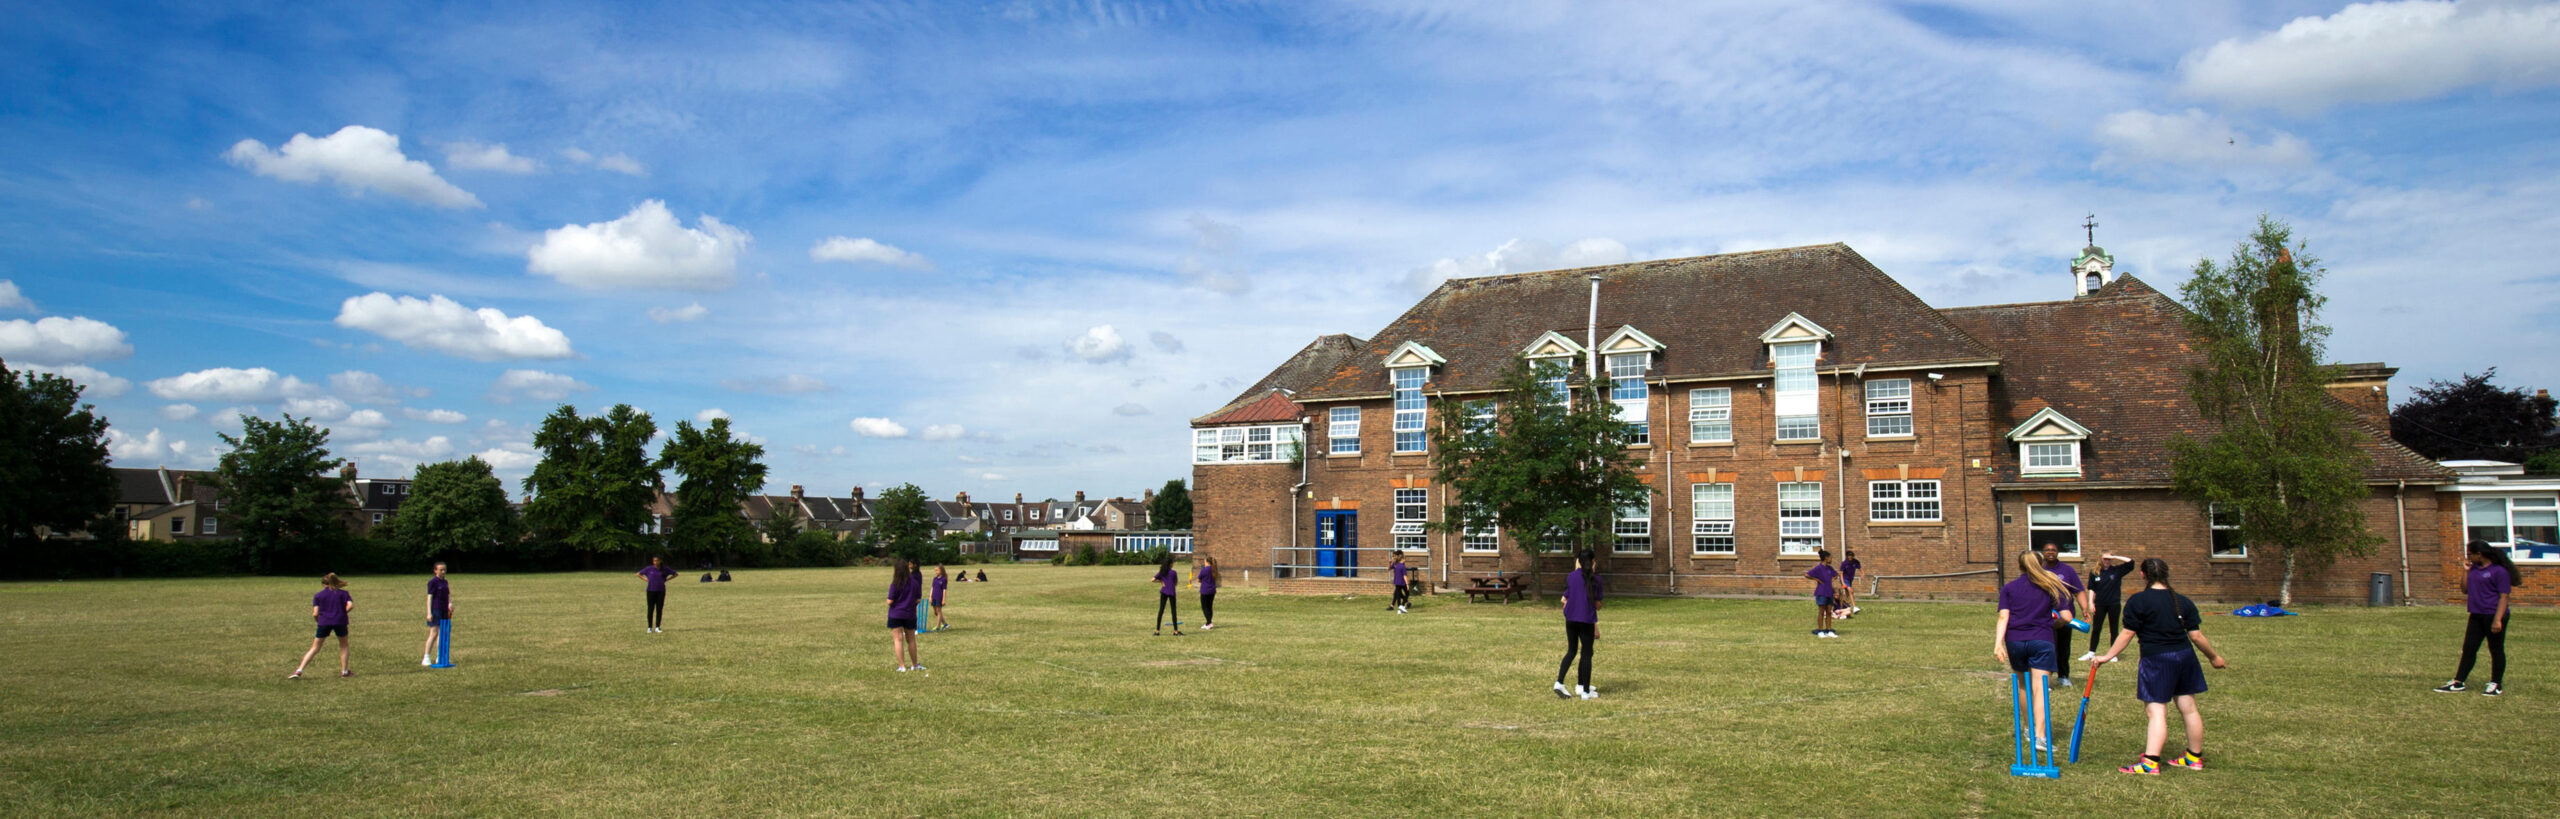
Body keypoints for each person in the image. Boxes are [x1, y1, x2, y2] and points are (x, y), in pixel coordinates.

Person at [2095, 558, 2229, 775]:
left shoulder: (2138, 601)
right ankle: (2194, 758)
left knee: (2156, 711)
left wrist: (2106, 656)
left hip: (2157, 660)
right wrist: (2214, 657)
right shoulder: (2182, 601)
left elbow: (2127, 633)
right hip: (2185, 657)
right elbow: (2196, 636)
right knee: (2189, 708)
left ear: (2142, 575)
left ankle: (2150, 763)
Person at [1995, 551, 2071, 753]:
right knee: (2040, 688)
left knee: (2023, 685)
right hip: (2042, 640)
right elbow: (2067, 616)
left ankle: (2029, 729)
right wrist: (2057, 623)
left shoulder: (2009, 588)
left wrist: (1998, 644)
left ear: (2019, 566)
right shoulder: (2051, 585)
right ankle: (2040, 736)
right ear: (2042, 565)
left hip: (2015, 641)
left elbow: (2003, 617)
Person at [2436, 540, 2522, 696]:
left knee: (2495, 649)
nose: (2468, 557)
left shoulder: (2499, 571)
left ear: (2479, 554)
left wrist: (2497, 620)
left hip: (2493, 614)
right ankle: (2458, 682)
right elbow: (2465, 590)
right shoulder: (2474, 569)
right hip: (2476, 614)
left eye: (2470, 554)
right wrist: (2466, 571)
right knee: (2469, 649)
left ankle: (2496, 684)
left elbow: (2504, 597)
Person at [1555, 549, 1603, 699]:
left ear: (1579, 562)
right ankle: (1585, 692)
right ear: (1593, 561)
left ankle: (1560, 682)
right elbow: (1597, 604)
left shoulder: (1571, 577)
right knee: (1587, 654)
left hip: (1570, 619)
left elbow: (1567, 597)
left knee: (1571, 651)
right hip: (1586, 620)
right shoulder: (1596, 580)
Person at [291, 573, 355, 679]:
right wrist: (342, 613)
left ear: (323, 584)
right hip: (340, 621)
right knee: (343, 645)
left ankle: (299, 670)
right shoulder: (344, 593)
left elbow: (315, 613)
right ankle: (344, 671)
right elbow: (350, 606)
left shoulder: (318, 595)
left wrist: (319, 621)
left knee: (315, 647)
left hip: (324, 622)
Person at [2040, 543, 2089, 680]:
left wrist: (2084, 608)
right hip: (2044, 616)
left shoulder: (2067, 570)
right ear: (2043, 552)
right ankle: (2046, 679)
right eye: (2047, 550)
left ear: (2057, 553)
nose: (2050, 552)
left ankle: (2063, 676)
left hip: (2065, 617)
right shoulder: (2039, 570)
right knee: (2048, 648)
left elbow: (2078, 591)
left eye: (2053, 550)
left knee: (2063, 648)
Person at [2079, 552, 2137, 662]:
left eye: (2109, 559)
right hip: (2100, 604)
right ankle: (2091, 653)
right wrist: (2091, 602)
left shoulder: (2117, 571)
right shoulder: (2095, 572)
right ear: (2101, 559)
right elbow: (2092, 588)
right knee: (2096, 628)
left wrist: (2115, 556)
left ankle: (2113, 654)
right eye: (2105, 559)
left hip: (2114, 604)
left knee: (2113, 629)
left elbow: (2131, 562)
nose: (2107, 561)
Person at [887, 558, 924, 672]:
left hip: (896, 614)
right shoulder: (914, 583)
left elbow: (890, 601)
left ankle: (902, 666)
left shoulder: (895, 583)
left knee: (898, 639)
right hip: (909, 614)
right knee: (911, 639)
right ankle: (914, 664)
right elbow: (918, 599)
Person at [420, 562, 453, 666]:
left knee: (442, 634)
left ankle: (440, 656)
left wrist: (450, 604)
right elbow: (429, 597)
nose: (443, 572)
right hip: (436, 609)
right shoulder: (433, 582)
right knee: (434, 633)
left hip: (444, 610)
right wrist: (429, 613)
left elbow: (448, 595)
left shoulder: (445, 582)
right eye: (441, 570)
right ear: (435, 570)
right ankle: (426, 657)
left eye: (444, 570)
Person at [1805, 550, 1841, 638]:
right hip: (1821, 592)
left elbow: (1836, 574)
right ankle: (1820, 631)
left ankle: (1829, 630)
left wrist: (1833, 579)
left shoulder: (1830, 568)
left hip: (1829, 592)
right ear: (1826, 558)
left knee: (1829, 612)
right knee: (1821, 612)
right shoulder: (1819, 568)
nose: (1831, 559)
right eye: (1830, 557)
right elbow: (1807, 575)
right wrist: (1817, 580)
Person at [637, 556, 675, 633]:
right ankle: (649, 627)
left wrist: (667, 580)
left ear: (660, 561)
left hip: (661, 591)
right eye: (654, 561)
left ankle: (657, 626)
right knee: (650, 609)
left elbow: (675, 574)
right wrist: (646, 580)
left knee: (659, 609)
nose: (655, 562)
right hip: (651, 590)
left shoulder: (665, 569)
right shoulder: (649, 569)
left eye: (657, 560)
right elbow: (638, 574)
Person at [1153, 554, 1185, 636]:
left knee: (1161, 610)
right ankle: (1175, 631)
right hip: (1171, 592)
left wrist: (1161, 581)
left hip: (1163, 592)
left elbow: (1153, 579)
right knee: (1173, 611)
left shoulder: (1162, 572)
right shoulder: (1173, 572)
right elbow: (1175, 583)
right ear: (1170, 564)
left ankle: (1157, 631)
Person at [1196, 555, 1220, 630]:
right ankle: (1208, 622)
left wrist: (1202, 581)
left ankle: (1209, 623)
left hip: (1205, 590)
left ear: (1207, 562)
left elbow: (1198, 579)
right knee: (1209, 607)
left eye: (1205, 561)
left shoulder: (1204, 570)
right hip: (1212, 590)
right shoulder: (1214, 569)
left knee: (1204, 607)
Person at [1838, 550, 1862, 617]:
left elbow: (1860, 568)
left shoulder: (1855, 562)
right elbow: (1841, 574)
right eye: (1849, 556)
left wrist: (1862, 573)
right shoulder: (1844, 563)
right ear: (1847, 556)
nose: (1850, 557)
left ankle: (1843, 606)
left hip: (1850, 579)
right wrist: (1843, 583)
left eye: (1851, 556)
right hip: (1844, 579)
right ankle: (1854, 607)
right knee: (1851, 591)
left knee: (1847, 594)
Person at [930, 565, 950, 631]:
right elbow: (932, 588)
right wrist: (930, 597)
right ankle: (945, 624)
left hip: (939, 597)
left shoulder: (943, 579)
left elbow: (944, 590)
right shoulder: (935, 579)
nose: (935, 572)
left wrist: (943, 599)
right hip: (934, 597)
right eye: (935, 570)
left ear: (941, 570)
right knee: (936, 612)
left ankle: (938, 627)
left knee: (938, 611)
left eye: (937, 570)